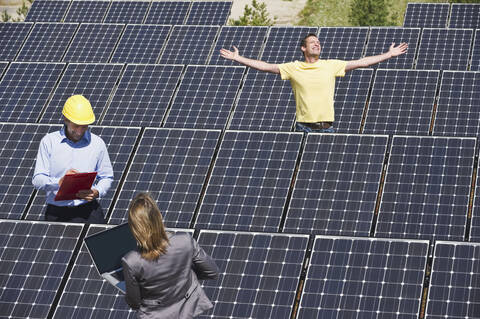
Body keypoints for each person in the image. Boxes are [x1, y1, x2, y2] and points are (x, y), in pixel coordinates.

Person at [220, 33, 408, 133]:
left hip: (328, 128)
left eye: (318, 42)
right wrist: (239, 58)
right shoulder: (293, 67)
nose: (317, 44)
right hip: (303, 128)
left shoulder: (331, 65)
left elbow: (363, 62)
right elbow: (266, 67)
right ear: (303, 48)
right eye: (312, 42)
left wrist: (388, 55)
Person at [122, 193, 219, 319]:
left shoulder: (131, 261)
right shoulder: (185, 241)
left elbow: (134, 303)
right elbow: (212, 272)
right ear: (159, 217)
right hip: (190, 308)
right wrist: (182, 275)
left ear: (134, 228)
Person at [32, 94, 113, 223]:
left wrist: (97, 191)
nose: (80, 131)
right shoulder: (49, 142)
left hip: (89, 212)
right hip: (57, 213)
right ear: (66, 119)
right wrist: (59, 182)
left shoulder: (97, 144)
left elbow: (107, 177)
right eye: (76, 125)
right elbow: (37, 180)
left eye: (85, 126)